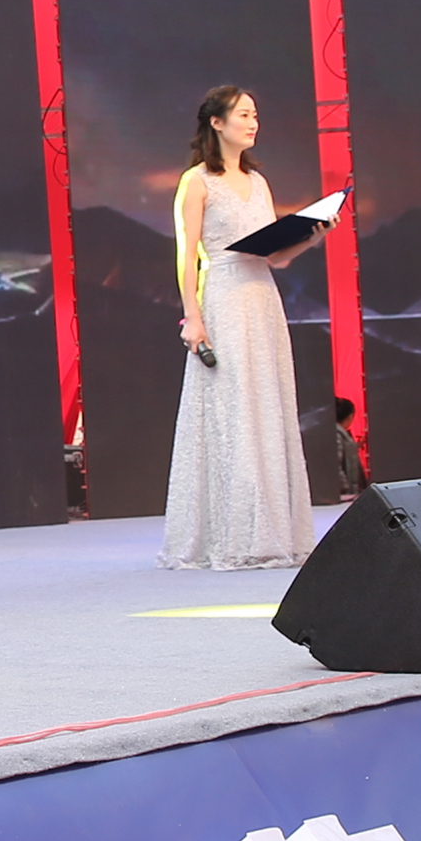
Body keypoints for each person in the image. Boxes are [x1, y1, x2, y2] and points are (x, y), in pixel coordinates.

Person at [159, 86, 329, 571]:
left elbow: (273, 256)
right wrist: (192, 315)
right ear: (216, 122)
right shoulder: (197, 181)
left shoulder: (258, 181)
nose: (253, 123)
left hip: (262, 300)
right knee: (232, 410)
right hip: (224, 297)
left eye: (255, 115)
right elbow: (187, 253)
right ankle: (231, 533)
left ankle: (272, 531)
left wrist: (311, 237)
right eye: (243, 115)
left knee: (266, 408)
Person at [334, 396, 368, 501]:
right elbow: (337, 464)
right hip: (345, 495)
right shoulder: (337, 434)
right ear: (350, 416)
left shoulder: (338, 434)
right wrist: (345, 488)